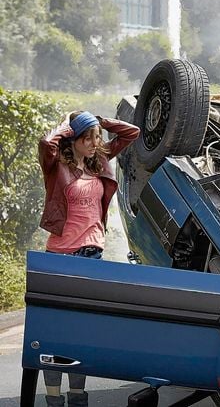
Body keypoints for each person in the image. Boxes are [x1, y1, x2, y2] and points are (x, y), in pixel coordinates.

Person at [38, 110, 139, 407]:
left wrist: (100, 121)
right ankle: (54, 399)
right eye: (89, 137)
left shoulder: (100, 163)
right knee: (56, 331)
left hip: (92, 253)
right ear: (74, 139)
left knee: (81, 332)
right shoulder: (57, 167)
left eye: (97, 137)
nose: (96, 142)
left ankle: (78, 398)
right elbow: (47, 143)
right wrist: (67, 125)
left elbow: (131, 133)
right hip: (59, 254)